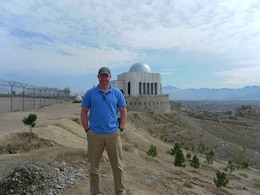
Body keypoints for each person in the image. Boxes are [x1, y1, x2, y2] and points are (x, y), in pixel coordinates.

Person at [81, 67, 127, 195]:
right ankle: (96, 192)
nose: (104, 78)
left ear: (110, 77)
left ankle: (120, 191)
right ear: (98, 77)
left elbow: (123, 111)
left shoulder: (117, 93)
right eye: (102, 76)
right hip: (95, 135)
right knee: (94, 167)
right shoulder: (90, 93)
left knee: (117, 166)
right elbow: (84, 111)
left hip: (113, 134)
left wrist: (120, 128)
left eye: (106, 76)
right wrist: (87, 129)